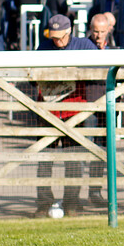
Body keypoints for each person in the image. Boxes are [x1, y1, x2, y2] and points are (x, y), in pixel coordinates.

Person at [34, 14, 97, 217]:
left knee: (74, 160)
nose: (57, 41)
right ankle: (44, 202)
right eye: (54, 37)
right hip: (48, 111)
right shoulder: (44, 47)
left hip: (74, 111)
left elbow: (100, 69)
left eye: (60, 37)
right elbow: (32, 75)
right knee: (44, 160)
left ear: (69, 31)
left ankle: (71, 202)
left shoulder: (84, 45)